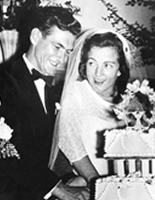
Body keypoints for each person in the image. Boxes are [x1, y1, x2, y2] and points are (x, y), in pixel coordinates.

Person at [0, 6, 90, 200]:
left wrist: (69, 179)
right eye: (57, 47)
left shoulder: (55, 92)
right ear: (36, 36)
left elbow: (47, 151)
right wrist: (59, 189)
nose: (62, 59)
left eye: (68, 51)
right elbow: (2, 149)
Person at [49, 29, 134, 185]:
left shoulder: (131, 101)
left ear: (120, 70)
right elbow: (70, 144)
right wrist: (99, 185)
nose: (97, 73)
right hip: (88, 181)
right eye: (92, 63)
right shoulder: (76, 93)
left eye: (107, 65)